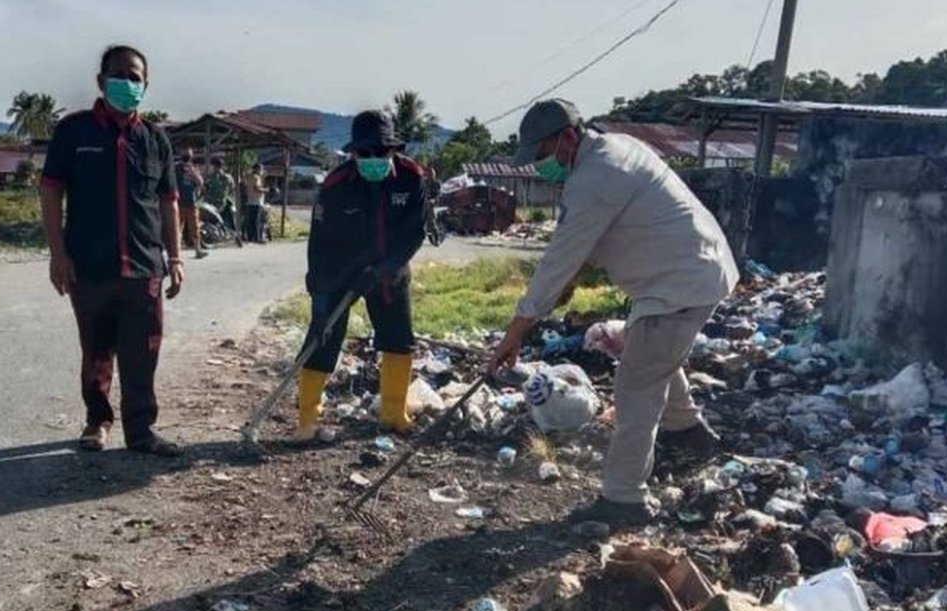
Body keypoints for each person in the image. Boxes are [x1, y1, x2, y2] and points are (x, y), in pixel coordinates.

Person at [488, 98, 739, 527]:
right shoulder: (617, 149)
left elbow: (559, 259)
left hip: (680, 282)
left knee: (637, 384)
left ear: (568, 136)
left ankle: (624, 499)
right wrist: (567, 282)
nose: (543, 166)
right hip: (687, 273)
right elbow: (587, 246)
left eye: (545, 155)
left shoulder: (596, 177)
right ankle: (691, 435)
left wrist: (515, 333)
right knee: (653, 355)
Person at [39, 44, 186, 456]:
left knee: (144, 355)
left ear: (146, 85)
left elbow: (168, 202)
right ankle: (97, 422)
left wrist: (174, 258)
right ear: (101, 81)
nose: (127, 82)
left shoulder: (156, 140)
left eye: (135, 76)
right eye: (118, 75)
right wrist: (57, 254)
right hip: (90, 265)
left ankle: (141, 432)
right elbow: (51, 192)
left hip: (144, 268)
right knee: (96, 350)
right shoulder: (74, 132)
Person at [294, 110, 427, 441]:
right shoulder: (336, 185)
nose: (373, 159)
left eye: (381, 152)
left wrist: (390, 266)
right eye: (365, 153)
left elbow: (416, 230)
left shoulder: (411, 178)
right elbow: (319, 243)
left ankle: (394, 413)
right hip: (339, 271)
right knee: (322, 339)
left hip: (390, 271)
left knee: (398, 339)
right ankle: (308, 419)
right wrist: (322, 296)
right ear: (353, 153)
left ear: (394, 150)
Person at [175, 148, 207, 259]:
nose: (187, 156)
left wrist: (193, 173)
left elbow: (200, 183)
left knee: (194, 227)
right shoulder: (176, 168)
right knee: (178, 227)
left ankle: (198, 250)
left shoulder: (193, 168)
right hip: (179, 202)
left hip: (191, 202)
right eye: (185, 154)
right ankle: (176, 252)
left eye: (189, 154)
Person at [203, 156, 237, 239]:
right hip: (223, 202)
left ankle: (216, 235)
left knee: (211, 220)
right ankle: (233, 233)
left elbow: (205, 188)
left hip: (211, 203)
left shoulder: (210, 177)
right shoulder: (228, 177)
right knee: (229, 219)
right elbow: (232, 188)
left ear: (214, 166)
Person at [243, 163, 267, 243]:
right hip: (257, 201)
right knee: (257, 220)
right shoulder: (256, 178)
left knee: (251, 221)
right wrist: (266, 190)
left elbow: (246, 186)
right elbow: (256, 188)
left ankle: (250, 237)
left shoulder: (249, 177)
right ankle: (257, 238)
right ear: (257, 169)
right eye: (261, 169)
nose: (262, 171)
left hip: (250, 201)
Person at [422, 165, 443, 246]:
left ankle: (437, 239)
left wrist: (433, 200)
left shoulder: (437, 183)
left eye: (432, 173)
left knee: (431, 221)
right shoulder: (424, 182)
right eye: (429, 173)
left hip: (432, 203)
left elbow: (438, 194)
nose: (430, 175)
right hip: (424, 202)